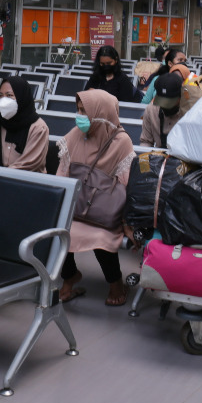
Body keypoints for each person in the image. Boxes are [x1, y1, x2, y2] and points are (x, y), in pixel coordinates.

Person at [56, 90, 135, 306]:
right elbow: (61, 175)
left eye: (85, 111)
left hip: (105, 212)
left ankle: (115, 282)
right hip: (76, 207)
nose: (80, 116)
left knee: (101, 237)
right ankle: (70, 276)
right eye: (79, 110)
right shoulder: (75, 135)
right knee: (59, 230)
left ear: (102, 113)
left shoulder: (121, 141)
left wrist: (127, 223)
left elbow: (127, 186)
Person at [0, 77, 48, 172]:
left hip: (25, 179)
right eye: (0, 95)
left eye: (9, 95)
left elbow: (29, 164)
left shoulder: (38, 128)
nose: (4, 100)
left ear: (22, 97)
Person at [140, 71, 183, 148]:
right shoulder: (151, 109)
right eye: (162, 102)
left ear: (180, 98)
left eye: (169, 103)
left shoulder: (189, 113)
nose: (165, 107)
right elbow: (146, 141)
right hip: (158, 153)